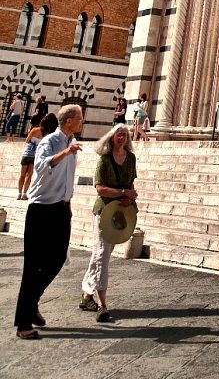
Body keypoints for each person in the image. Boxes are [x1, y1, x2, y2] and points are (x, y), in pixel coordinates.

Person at [14, 103, 84, 340]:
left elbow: (67, 179)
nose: (82, 122)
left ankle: (32, 300)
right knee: (32, 266)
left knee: (58, 259)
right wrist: (66, 153)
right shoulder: (50, 142)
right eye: (80, 118)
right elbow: (43, 167)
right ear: (68, 121)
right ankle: (23, 324)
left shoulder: (72, 142)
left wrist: (69, 204)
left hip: (62, 210)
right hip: (41, 210)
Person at [80, 123, 138, 323]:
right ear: (111, 138)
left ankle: (87, 293)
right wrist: (122, 193)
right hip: (104, 211)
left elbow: (130, 183)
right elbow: (100, 188)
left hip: (122, 212)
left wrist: (129, 197)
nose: (121, 138)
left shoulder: (131, 159)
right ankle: (101, 304)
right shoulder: (104, 160)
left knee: (101, 253)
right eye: (118, 135)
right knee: (102, 254)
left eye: (124, 135)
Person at [18, 113, 44, 199]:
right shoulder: (45, 134)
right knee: (29, 175)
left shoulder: (34, 130)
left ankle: (19, 193)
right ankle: (24, 194)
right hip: (35, 156)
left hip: (27, 153)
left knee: (22, 175)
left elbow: (27, 140)